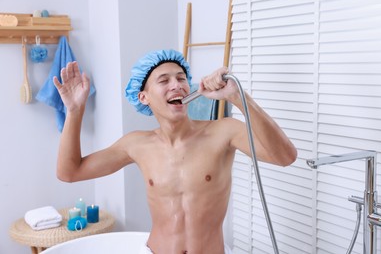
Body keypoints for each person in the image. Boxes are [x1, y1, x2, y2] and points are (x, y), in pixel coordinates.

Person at [54, 49, 297, 254]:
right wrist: (74, 112)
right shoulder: (137, 144)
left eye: (181, 78)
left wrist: (237, 96)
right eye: (164, 81)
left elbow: (285, 156)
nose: (177, 86)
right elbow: (70, 172)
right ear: (144, 97)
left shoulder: (223, 132)